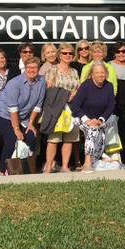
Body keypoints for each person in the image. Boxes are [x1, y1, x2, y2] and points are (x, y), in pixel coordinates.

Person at [0, 56, 44, 174]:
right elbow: (12, 108)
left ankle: (28, 169)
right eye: (29, 67)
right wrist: (17, 129)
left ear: (39, 68)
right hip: (1, 111)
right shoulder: (14, 83)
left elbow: (37, 106)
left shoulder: (41, 81)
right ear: (25, 68)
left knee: (31, 137)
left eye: (35, 67)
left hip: (21, 116)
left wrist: (30, 123)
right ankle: (2, 171)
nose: (32, 70)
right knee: (11, 139)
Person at [43, 43, 81, 172]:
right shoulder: (53, 70)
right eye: (65, 53)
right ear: (59, 55)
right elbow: (49, 88)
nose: (68, 56)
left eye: (70, 53)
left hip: (71, 108)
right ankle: (48, 166)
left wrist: (73, 94)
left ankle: (65, 166)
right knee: (54, 139)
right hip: (57, 108)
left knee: (69, 138)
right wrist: (65, 96)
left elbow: (78, 88)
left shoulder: (74, 71)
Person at [73, 62, 118, 172]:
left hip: (98, 120)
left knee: (99, 139)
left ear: (106, 73)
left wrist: (100, 119)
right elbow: (75, 105)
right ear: (92, 74)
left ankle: (94, 161)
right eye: (97, 72)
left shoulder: (109, 86)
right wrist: (87, 120)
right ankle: (87, 162)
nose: (100, 75)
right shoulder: (86, 85)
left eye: (102, 72)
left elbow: (111, 106)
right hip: (81, 118)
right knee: (93, 130)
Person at [109, 43, 125, 159]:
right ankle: (116, 157)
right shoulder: (109, 65)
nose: (121, 54)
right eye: (118, 51)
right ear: (114, 53)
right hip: (114, 103)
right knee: (115, 131)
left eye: (124, 51)